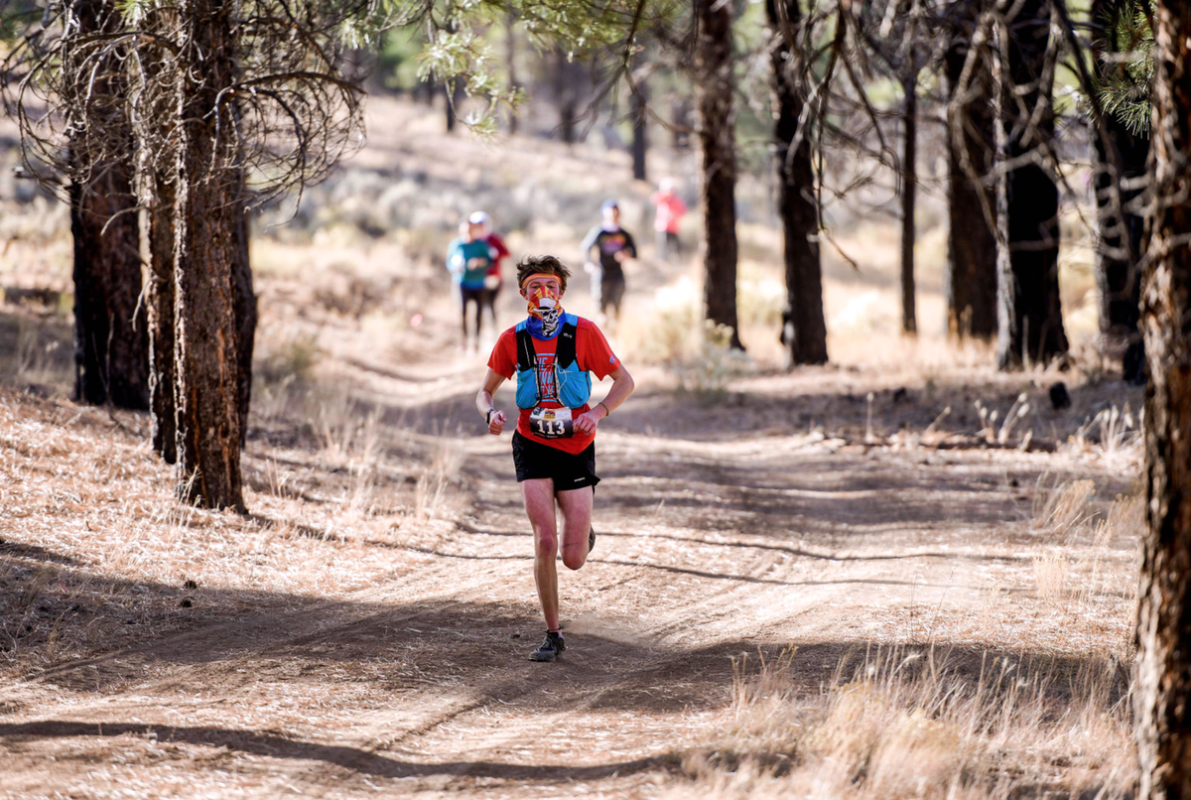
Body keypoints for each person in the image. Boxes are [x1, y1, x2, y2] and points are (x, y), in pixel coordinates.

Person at [476, 255, 635, 663]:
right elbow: (484, 391)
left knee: (573, 558)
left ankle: (583, 534)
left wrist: (596, 413)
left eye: (550, 287)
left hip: (577, 447)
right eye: (534, 287)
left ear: (562, 291)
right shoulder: (512, 339)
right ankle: (553, 633)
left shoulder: (584, 332)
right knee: (544, 541)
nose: (542, 294)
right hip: (531, 442)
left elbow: (624, 382)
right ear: (522, 293)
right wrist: (489, 412)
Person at [579, 199, 637, 327]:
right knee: (601, 310)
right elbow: (585, 247)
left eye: (615, 213)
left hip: (618, 275)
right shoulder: (599, 231)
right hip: (601, 275)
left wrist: (626, 255)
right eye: (610, 213)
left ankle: (616, 335)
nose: (613, 216)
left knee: (617, 306)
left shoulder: (624, 233)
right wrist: (588, 264)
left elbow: (634, 253)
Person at [446, 218, 493, 352]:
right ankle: (463, 343)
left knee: (478, 314)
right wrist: (455, 267)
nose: (468, 232)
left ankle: (476, 343)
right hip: (461, 283)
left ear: (475, 230)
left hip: (479, 283)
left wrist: (479, 262)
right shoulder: (456, 245)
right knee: (462, 313)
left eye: (471, 229)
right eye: (466, 229)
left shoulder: (481, 245)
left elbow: (490, 261)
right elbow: (449, 263)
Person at [469, 210, 511, 330]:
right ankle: (478, 334)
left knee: (491, 306)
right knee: (478, 308)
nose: (480, 228)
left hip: (493, 277)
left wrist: (495, 253)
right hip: (476, 279)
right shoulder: (473, 241)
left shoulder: (493, 239)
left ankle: (493, 332)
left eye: (482, 224)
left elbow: (506, 253)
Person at [650, 178, 687, 262]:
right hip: (661, 226)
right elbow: (653, 198)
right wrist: (663, 194)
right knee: (663, 245)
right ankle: (663, 261)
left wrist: (675, 215)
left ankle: (676, 260)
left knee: (674, 245)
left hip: (673, 227)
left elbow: (683, 210)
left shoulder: (676, 200)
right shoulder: (661, 198)